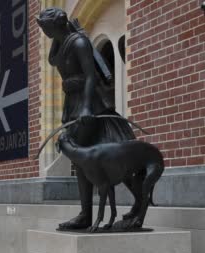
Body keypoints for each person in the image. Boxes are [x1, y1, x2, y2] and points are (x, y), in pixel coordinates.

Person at [37, 8, 136, 230]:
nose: (43, 31)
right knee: (80, 159)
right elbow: (53, 60)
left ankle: (94, 212)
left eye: (45, 27)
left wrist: (86, 108)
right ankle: (85, 214)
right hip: (73, 102)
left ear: (56, 25)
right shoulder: (63, 43)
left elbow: (91, 76)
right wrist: (61, 34)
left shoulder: (79, 43)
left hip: (88, 104)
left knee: (96, 155)